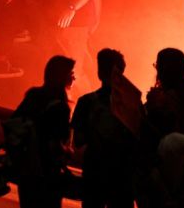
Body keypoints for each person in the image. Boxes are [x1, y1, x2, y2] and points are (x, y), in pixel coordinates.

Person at [71, 49, 137, 208]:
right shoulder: (132, 105)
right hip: (123, 176)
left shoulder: (86, 102)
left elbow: (78, 142)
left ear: (99, 73)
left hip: (94, 172)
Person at [12, 55, 76, 208]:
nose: (73, 77)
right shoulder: (61, 107)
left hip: (27, 169)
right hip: (48, 172)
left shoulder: (33, 95)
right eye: (71, 73)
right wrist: (68, 151)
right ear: (61, 76)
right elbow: (55, 142)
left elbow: (15, 122)